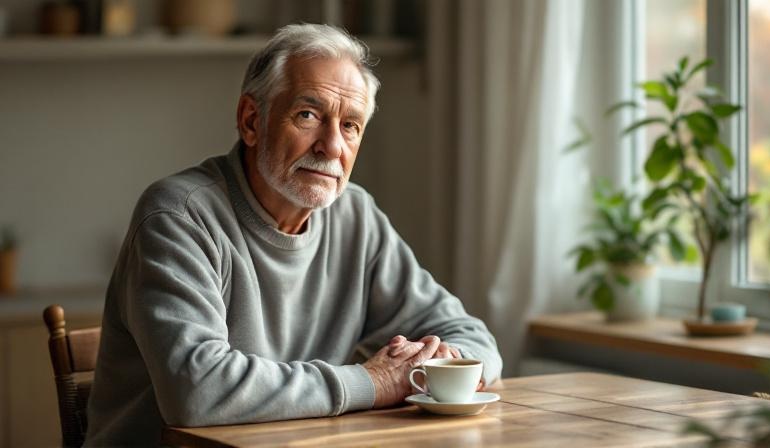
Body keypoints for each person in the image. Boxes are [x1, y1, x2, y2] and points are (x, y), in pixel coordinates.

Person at [84, 23, 502, 446]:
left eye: (351, 125)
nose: (332, 146)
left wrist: (441, 363)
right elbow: (198, 391)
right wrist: (371, 383)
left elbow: (475, 340)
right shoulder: (179, 216)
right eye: (309, 115)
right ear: (251, 120)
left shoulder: (355, 215)